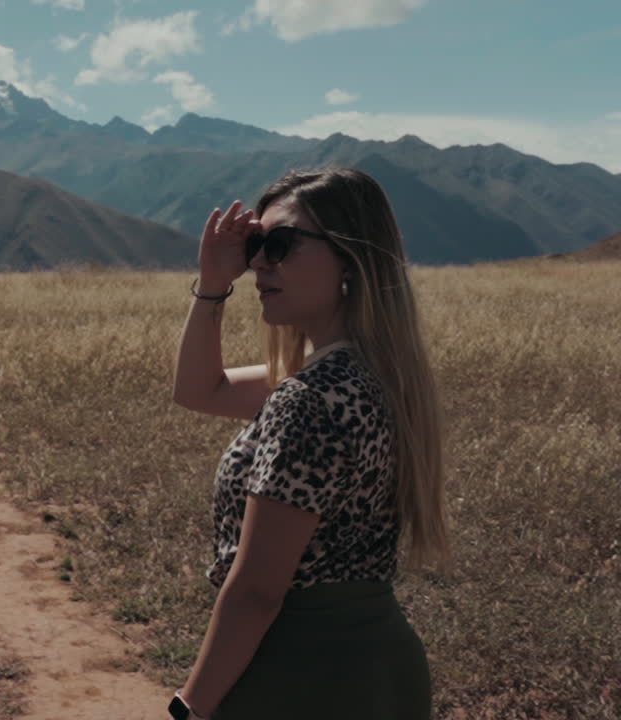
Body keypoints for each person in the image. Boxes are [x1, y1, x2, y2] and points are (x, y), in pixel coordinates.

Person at [166, 167, 452, 720]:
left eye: (280, 244)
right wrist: (212, 284)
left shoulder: (309, 397)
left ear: (349, 257)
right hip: (377, 668)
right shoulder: (374, 374)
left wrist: (190, 708)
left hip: (298, 671)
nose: (257, 263)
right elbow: (200, 389)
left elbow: (257, 590)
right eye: (256, 244)